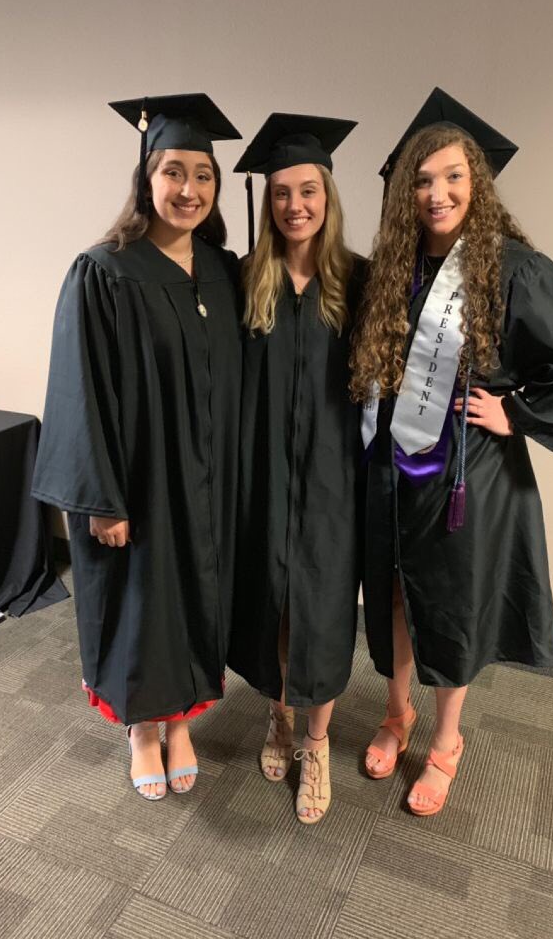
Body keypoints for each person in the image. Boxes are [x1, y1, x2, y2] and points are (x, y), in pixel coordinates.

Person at [350, 87, 553, 816]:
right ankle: (396, 711)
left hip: (466, 472)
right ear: (404, 191)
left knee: (453, 603)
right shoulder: (393, 267)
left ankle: (445, 741)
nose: (437, 193)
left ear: (477, 183)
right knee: (396, 594)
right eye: (421, 179)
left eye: (452, 177)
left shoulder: (510, 269)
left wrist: (520, 414)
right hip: (393, 467)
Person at [32, 93, 243, 801]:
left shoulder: (222, 270)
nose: (189, 189)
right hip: (137, 482)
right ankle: (142, 730)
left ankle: (180, 721)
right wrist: (101, 498)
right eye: (174, 171)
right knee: (142, 603)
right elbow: (78, 392)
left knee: (193, 598)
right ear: (146, 178)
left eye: (204, 175)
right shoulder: (105, 271)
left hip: (205, 481)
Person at [229, 114, 365, 824]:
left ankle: (316, 743)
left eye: (307, 190)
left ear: (327, 195)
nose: (294, 206)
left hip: (334, 481)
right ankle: (278, 714)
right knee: (273, 602)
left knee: (325, 609)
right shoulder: (248, 280)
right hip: (265, 477)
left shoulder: (361, 281)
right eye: (280, 193)